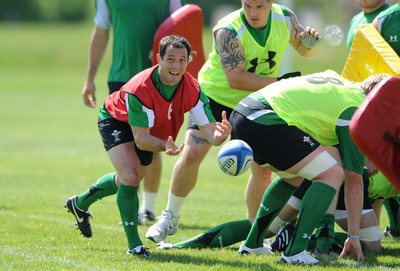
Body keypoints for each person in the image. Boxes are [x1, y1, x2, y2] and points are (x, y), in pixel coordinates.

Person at [146, 0, 321, 244]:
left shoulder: (286, 17)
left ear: (271, 2)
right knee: (193, 153)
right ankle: (170, 216)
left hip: (257, 101)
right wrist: (282, 82)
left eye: (259, 6)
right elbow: (235, 79)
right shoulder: (227, 29)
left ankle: (256, 233)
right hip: (215, 98)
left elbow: (304, 50)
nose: (252, 12)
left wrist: (310, 41)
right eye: (247, 5)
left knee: (263, 169)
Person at [65, 35, 232, 257]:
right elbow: (141, 138)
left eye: (182, 60)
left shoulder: (193, 88)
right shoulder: (141, 88)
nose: (176, 66)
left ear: (189, 61)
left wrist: (220, 136)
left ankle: (80, 202)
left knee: (128, 178)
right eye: (170, 59)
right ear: (159, 59)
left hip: (148, 130)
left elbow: (209, 131)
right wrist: (166, 146)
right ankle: (134, 246)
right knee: (131, 175)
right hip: (116, 119)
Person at [228, 70, 389, 264]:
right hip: (263, 118)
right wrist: (353, 237)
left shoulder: (343, 86)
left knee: (293, 177)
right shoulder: (354, 108)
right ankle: (295, 252)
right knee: (332, 174)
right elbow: (353, 179)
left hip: (243, 113)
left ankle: (252, 244)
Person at [81, 0, 187, 224]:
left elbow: (183, 27)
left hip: (160, 79)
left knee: (152, 143)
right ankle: (133, 206)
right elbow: (101, 33)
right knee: (128, 148)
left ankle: (147, 209)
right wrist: (89, 78)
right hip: (121, 78)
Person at [347, 0, 400, 238]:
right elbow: (364, 64)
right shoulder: (385, 20)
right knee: (377, 176)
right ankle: (372, 234)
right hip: (389, 112)